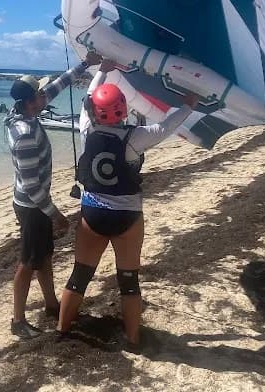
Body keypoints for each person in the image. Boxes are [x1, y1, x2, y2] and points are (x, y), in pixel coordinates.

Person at [56, 59, 198, 347]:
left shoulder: (87, 130)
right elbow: (168, 126)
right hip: (127, 216)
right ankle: (133, 338)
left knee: (80, 274)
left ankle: (62, 330)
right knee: (129, 280)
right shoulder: (137, 137)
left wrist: (103, 71)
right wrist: (189, 104)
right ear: (123, 107)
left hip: (93, 215)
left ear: (96, 112)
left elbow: (88, 102)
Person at [4, 50, 102, 339]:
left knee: (45, 256)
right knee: (28, 262)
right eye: (39, 95)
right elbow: (33, 187)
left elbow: (56, 86)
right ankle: (18, 321)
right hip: (32, 205)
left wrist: (86, 64)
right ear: (30, 102)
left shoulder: (23, 110)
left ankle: (51, 305)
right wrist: (56, 214)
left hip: (35, 203)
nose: (44, 97)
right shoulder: (23, 133)